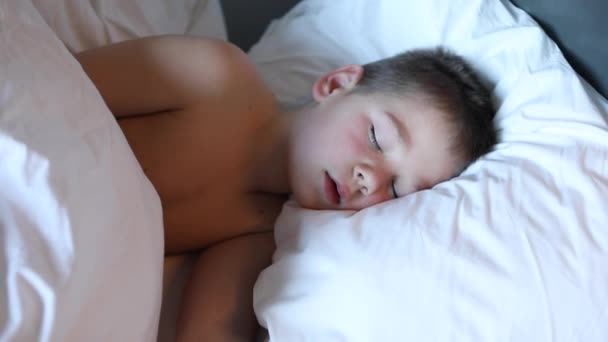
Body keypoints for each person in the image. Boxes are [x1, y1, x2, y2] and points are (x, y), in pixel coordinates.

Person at [75, 35, 496, 341]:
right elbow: (45, 85)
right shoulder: (213, 78)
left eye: (400, 190)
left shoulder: (258, 234)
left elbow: (208, 330)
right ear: (335, 86)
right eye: (376, 138)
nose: (371, 179)